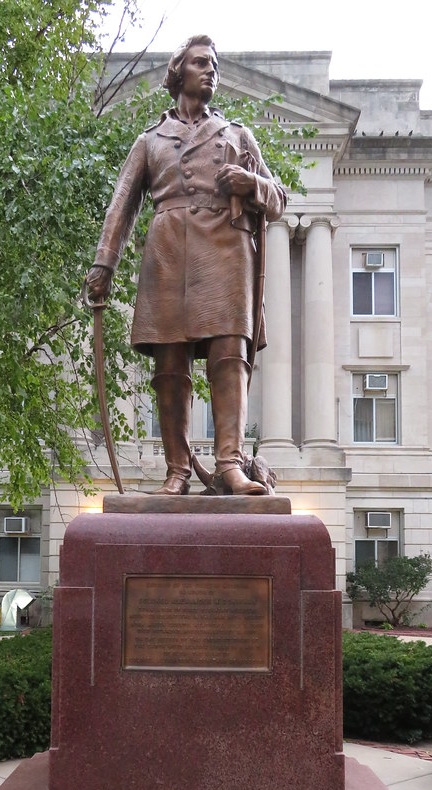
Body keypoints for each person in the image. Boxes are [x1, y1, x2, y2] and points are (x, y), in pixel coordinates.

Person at [86, 34, 287, 495]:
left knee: (229, 355)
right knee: (170, 365)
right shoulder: (150, 141)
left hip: (226, 251)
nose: (210, 70)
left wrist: (251, 181)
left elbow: (277, 200)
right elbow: (122, 205)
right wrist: (104, 265)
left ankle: (230, 465)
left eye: (214, 64)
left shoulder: (238, 136)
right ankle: (177, 469)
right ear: (179, 73)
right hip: (169, 253)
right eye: (200, 63)